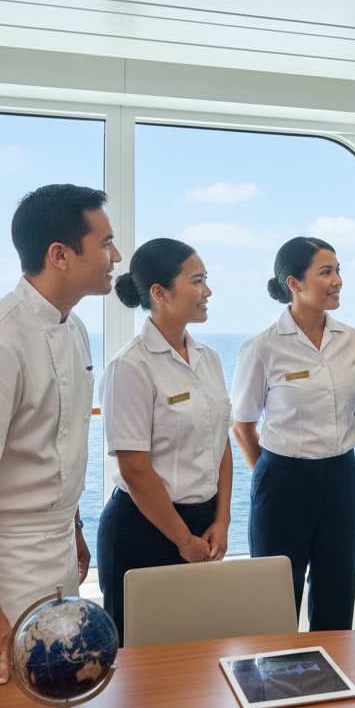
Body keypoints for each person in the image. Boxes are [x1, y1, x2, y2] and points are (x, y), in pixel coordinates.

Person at [0, 183, 121, 688]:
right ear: (60, 255)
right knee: (2, 701)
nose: (115, 256)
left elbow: (55, 442)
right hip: (2, 560)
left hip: (57, 543)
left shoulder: (74, 328)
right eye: (105, 243)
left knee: (61, 690)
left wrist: (75, 527)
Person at [231, 237, 355, 630]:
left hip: (343, 479)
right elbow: (242, 426)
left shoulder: (353, 341)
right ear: (293, 283)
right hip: (283, 482)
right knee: (275, 601)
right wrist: (273, 476)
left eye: (338, 270)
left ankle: (331, 685)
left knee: (337, 596)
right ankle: (273, 687)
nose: (337, 280)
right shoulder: (262, 348)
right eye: (326, 272)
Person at [97, 238, 233, 646]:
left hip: (202, 525)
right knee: (136, 662)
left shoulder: (208, 358)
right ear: (159, 293)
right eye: (197, 281)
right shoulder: (130, 366)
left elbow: (220, 442)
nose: (207, 291)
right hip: (145, 528)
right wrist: (181, 539)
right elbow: (134, 469)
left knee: (193, 655)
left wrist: (221, 520)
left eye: (206, 279)